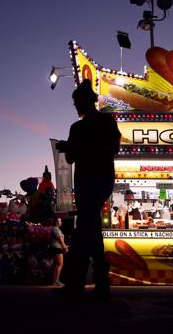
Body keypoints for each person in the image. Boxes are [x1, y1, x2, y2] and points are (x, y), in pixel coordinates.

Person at [55, 79, 121, 299]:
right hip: (90, 182)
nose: (75, 106)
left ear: (87, 100)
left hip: (95, 181)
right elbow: (74, 156)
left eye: (77, 102)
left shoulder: (99, 123)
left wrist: (73, 147)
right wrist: (69, 148)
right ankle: (101, 281)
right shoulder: (96, 123)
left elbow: (110, 149)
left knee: (84, 228)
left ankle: (76, 281)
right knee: (91, 228)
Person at [49, 218, 68, 285]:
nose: (61, 222)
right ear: (56, 222)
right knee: (60, 264)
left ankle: (54, 281)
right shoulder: (56, 229)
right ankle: (56, 281)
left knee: (56, 265)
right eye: (59, 221)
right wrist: (64, 247)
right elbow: (60, 239)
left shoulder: (56, 229)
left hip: (55, 247)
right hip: (57, 247)